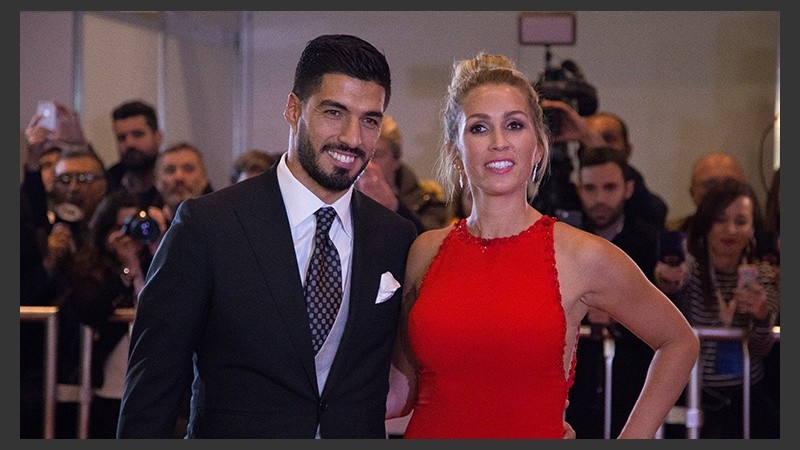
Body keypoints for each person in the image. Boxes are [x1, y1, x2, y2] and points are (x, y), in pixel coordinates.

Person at [117, 34, 418, 439]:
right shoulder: (208, 225)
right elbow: (152, 386)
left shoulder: (394, 236)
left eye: (370, 120)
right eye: (334, 112)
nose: (352, 137)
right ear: (293, 109)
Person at [385, 52, 699, 439]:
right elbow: (397, 395)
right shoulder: (425, 251)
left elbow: (678, 341)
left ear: (537, 147)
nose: (499, 142)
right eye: (479, 128)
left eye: (514, 125)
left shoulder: (583, 255)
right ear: (455, 151)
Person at [655, 178, 779, 439]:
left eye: (741, 221)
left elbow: (761, 349)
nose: (730, 230)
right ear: (706, 224)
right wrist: (665, 279)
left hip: (748, 395)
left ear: (752, 228)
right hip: (697, 393)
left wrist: (762, 318)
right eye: (720, 220)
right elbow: (673, 279)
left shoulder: (764, 273)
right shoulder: (692, 266)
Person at [55, 190, 167, 438]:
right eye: (121, 227)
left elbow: (162, 309)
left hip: (146, 387)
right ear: (104, 230)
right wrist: (126, 270)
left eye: (136, 225)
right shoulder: (88, 266)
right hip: (100, 389)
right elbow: (91, 308)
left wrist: (160, 247)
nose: (130, 234)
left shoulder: (153, 262)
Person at [568, 146, 661, 438]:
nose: (599, 199)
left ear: (628, 189)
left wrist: (619, 312)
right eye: (590, 188)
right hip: (575, 389)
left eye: (609, 188)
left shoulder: (649, 242)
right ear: (578, 189)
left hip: (631, 382)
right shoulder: (564, 239)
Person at [540, 101, 668, 229]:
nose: (600, 199)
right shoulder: (569, 203)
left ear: (628, 150)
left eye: (608, 139)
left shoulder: (644, 211)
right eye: (585, 140)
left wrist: (595, 144)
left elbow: (655, 212)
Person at [368, 115, 450, 231]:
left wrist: (396, 208)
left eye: (376, 155)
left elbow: (428, 238)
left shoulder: (427, 202)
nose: (368, 164)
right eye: (363, 154)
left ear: (396, 159)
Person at [666, 151, 745, 233]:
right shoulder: (670, 233)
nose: (720, 191)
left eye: (730, 184)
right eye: (710, 185)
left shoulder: (754, 234)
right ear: (693, 193)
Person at [106, 100, 163, 207]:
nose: (129, 144)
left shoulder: (175, 181)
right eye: (121, 138)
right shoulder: (108, 182)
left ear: (158, 138)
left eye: (138, 135)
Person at [153, 141, 214, 225]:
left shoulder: (223, 222)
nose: (179, 177)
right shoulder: (146, 223)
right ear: (157, 180)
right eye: (170, 170)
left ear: (204, 178)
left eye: (188, 169)